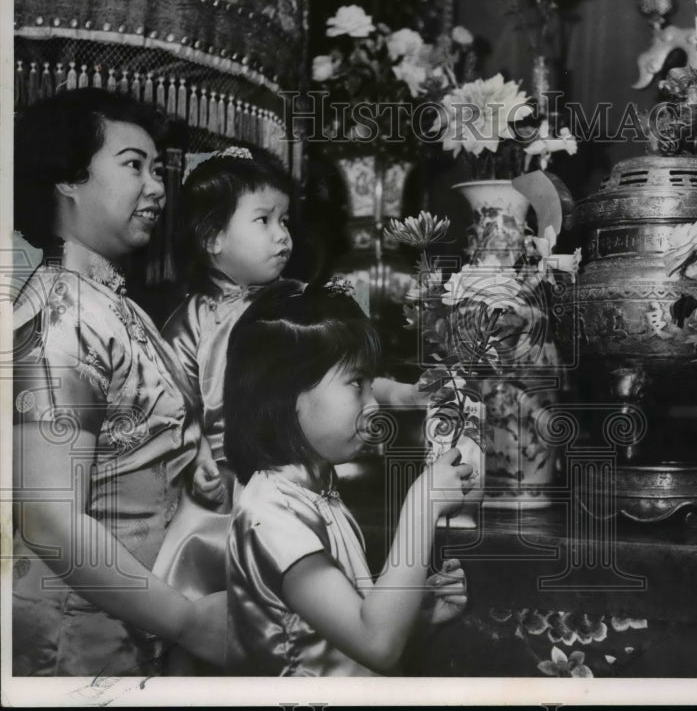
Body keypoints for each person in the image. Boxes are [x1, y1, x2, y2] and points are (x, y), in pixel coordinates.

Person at [11, 87, 226, 676]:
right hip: (80, 640)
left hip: (137, 622)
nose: (157, 186)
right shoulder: (61, 315)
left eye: (158, 169)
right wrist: (187, 621)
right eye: (134, 165)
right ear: (67, 180)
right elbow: (49, 518)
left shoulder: (111, 305)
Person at [224, 281, 473, 676]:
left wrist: (417, 612)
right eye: (357, 384)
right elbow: (377, 645)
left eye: (372, 386)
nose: (374, 406)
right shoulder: (269, 516)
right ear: (287, 393)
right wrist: (421, 505)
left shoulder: (315, 494)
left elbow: (348, 642)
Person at [162, 147, 425, 498]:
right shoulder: (191, 321)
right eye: (263, 220)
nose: (282, 235)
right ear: (213, 237)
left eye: (284, 220)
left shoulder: (301, 305)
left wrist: (401, 394)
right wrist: (199, 462)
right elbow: (175, 409)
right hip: (225, 482)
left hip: (299, 472)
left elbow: (345, 374)